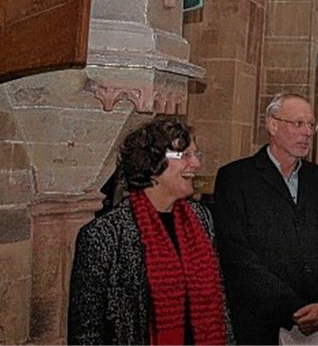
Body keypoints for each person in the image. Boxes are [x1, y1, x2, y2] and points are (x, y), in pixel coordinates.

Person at [67, 118, 231, 344]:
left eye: (196, 155)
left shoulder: (201, 219)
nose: (196, 164)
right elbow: (87, 331)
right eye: (185, 155)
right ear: (151, 163)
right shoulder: (104, 234)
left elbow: (219, 304)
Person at [213, 93, 318, 345]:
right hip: (262, 323)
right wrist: (295, 308)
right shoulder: (236, 179)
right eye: (298, 123)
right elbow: (238, 256)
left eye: (312, 125)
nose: (307, 132)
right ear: (272, 125)